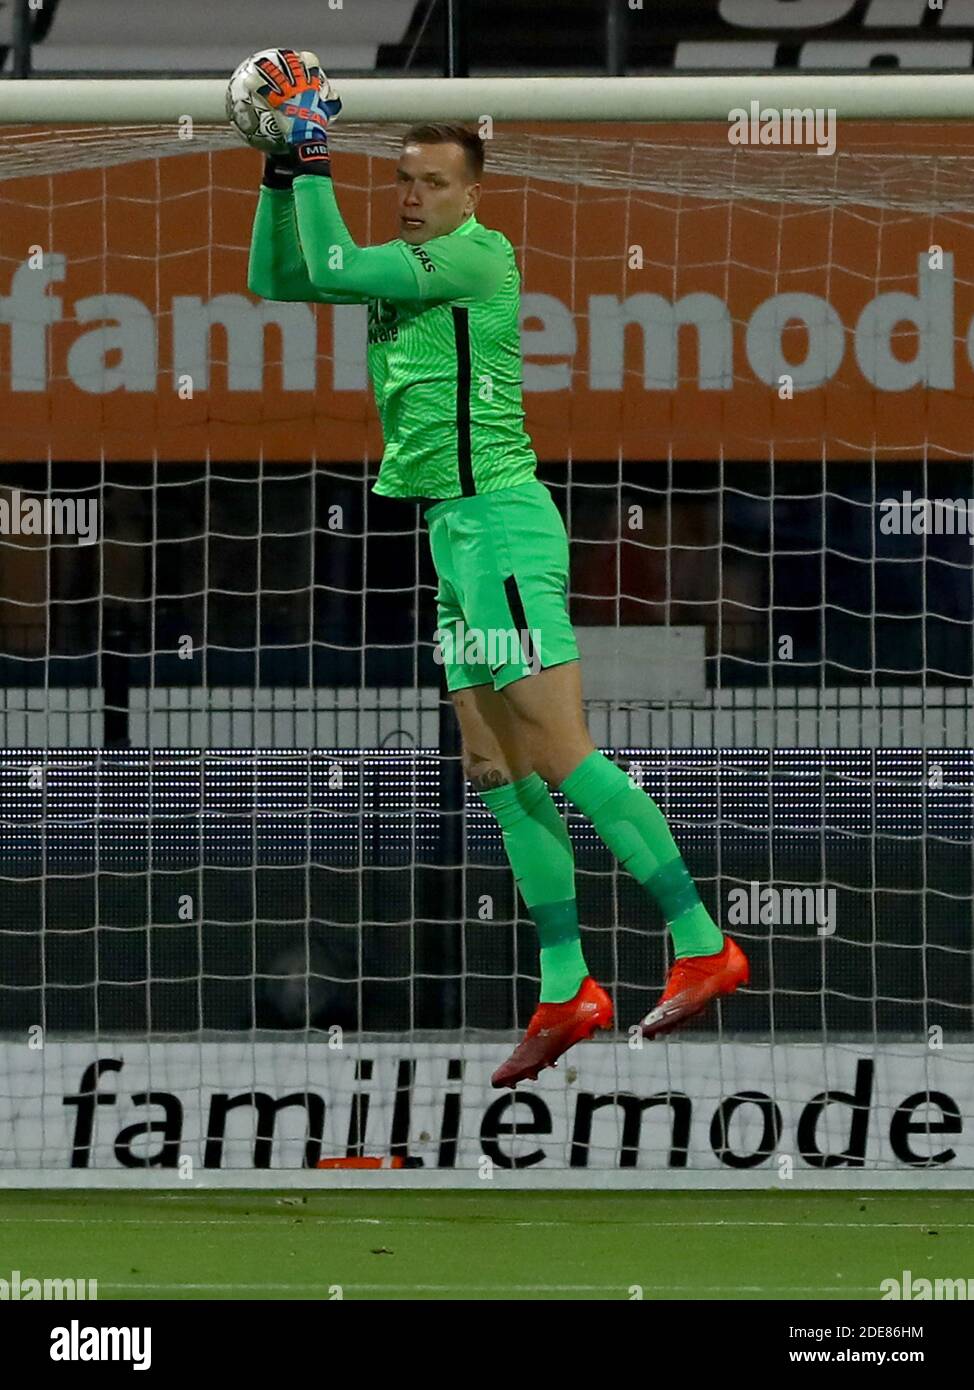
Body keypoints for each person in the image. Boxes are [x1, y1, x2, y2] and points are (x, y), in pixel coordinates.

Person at [245, 49, 748, 1088]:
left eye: (433, 183)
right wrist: (278, 170)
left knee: (560, 752)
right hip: (452, 537)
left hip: (505, 529)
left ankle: (703, 940)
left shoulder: (477, 257)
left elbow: (329, 269)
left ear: (470, 194)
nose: (415, 199)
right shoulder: (398, 261)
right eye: (405, 182)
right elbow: (278, 277)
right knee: (494, 769)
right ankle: (567, 984)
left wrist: (313, 148)